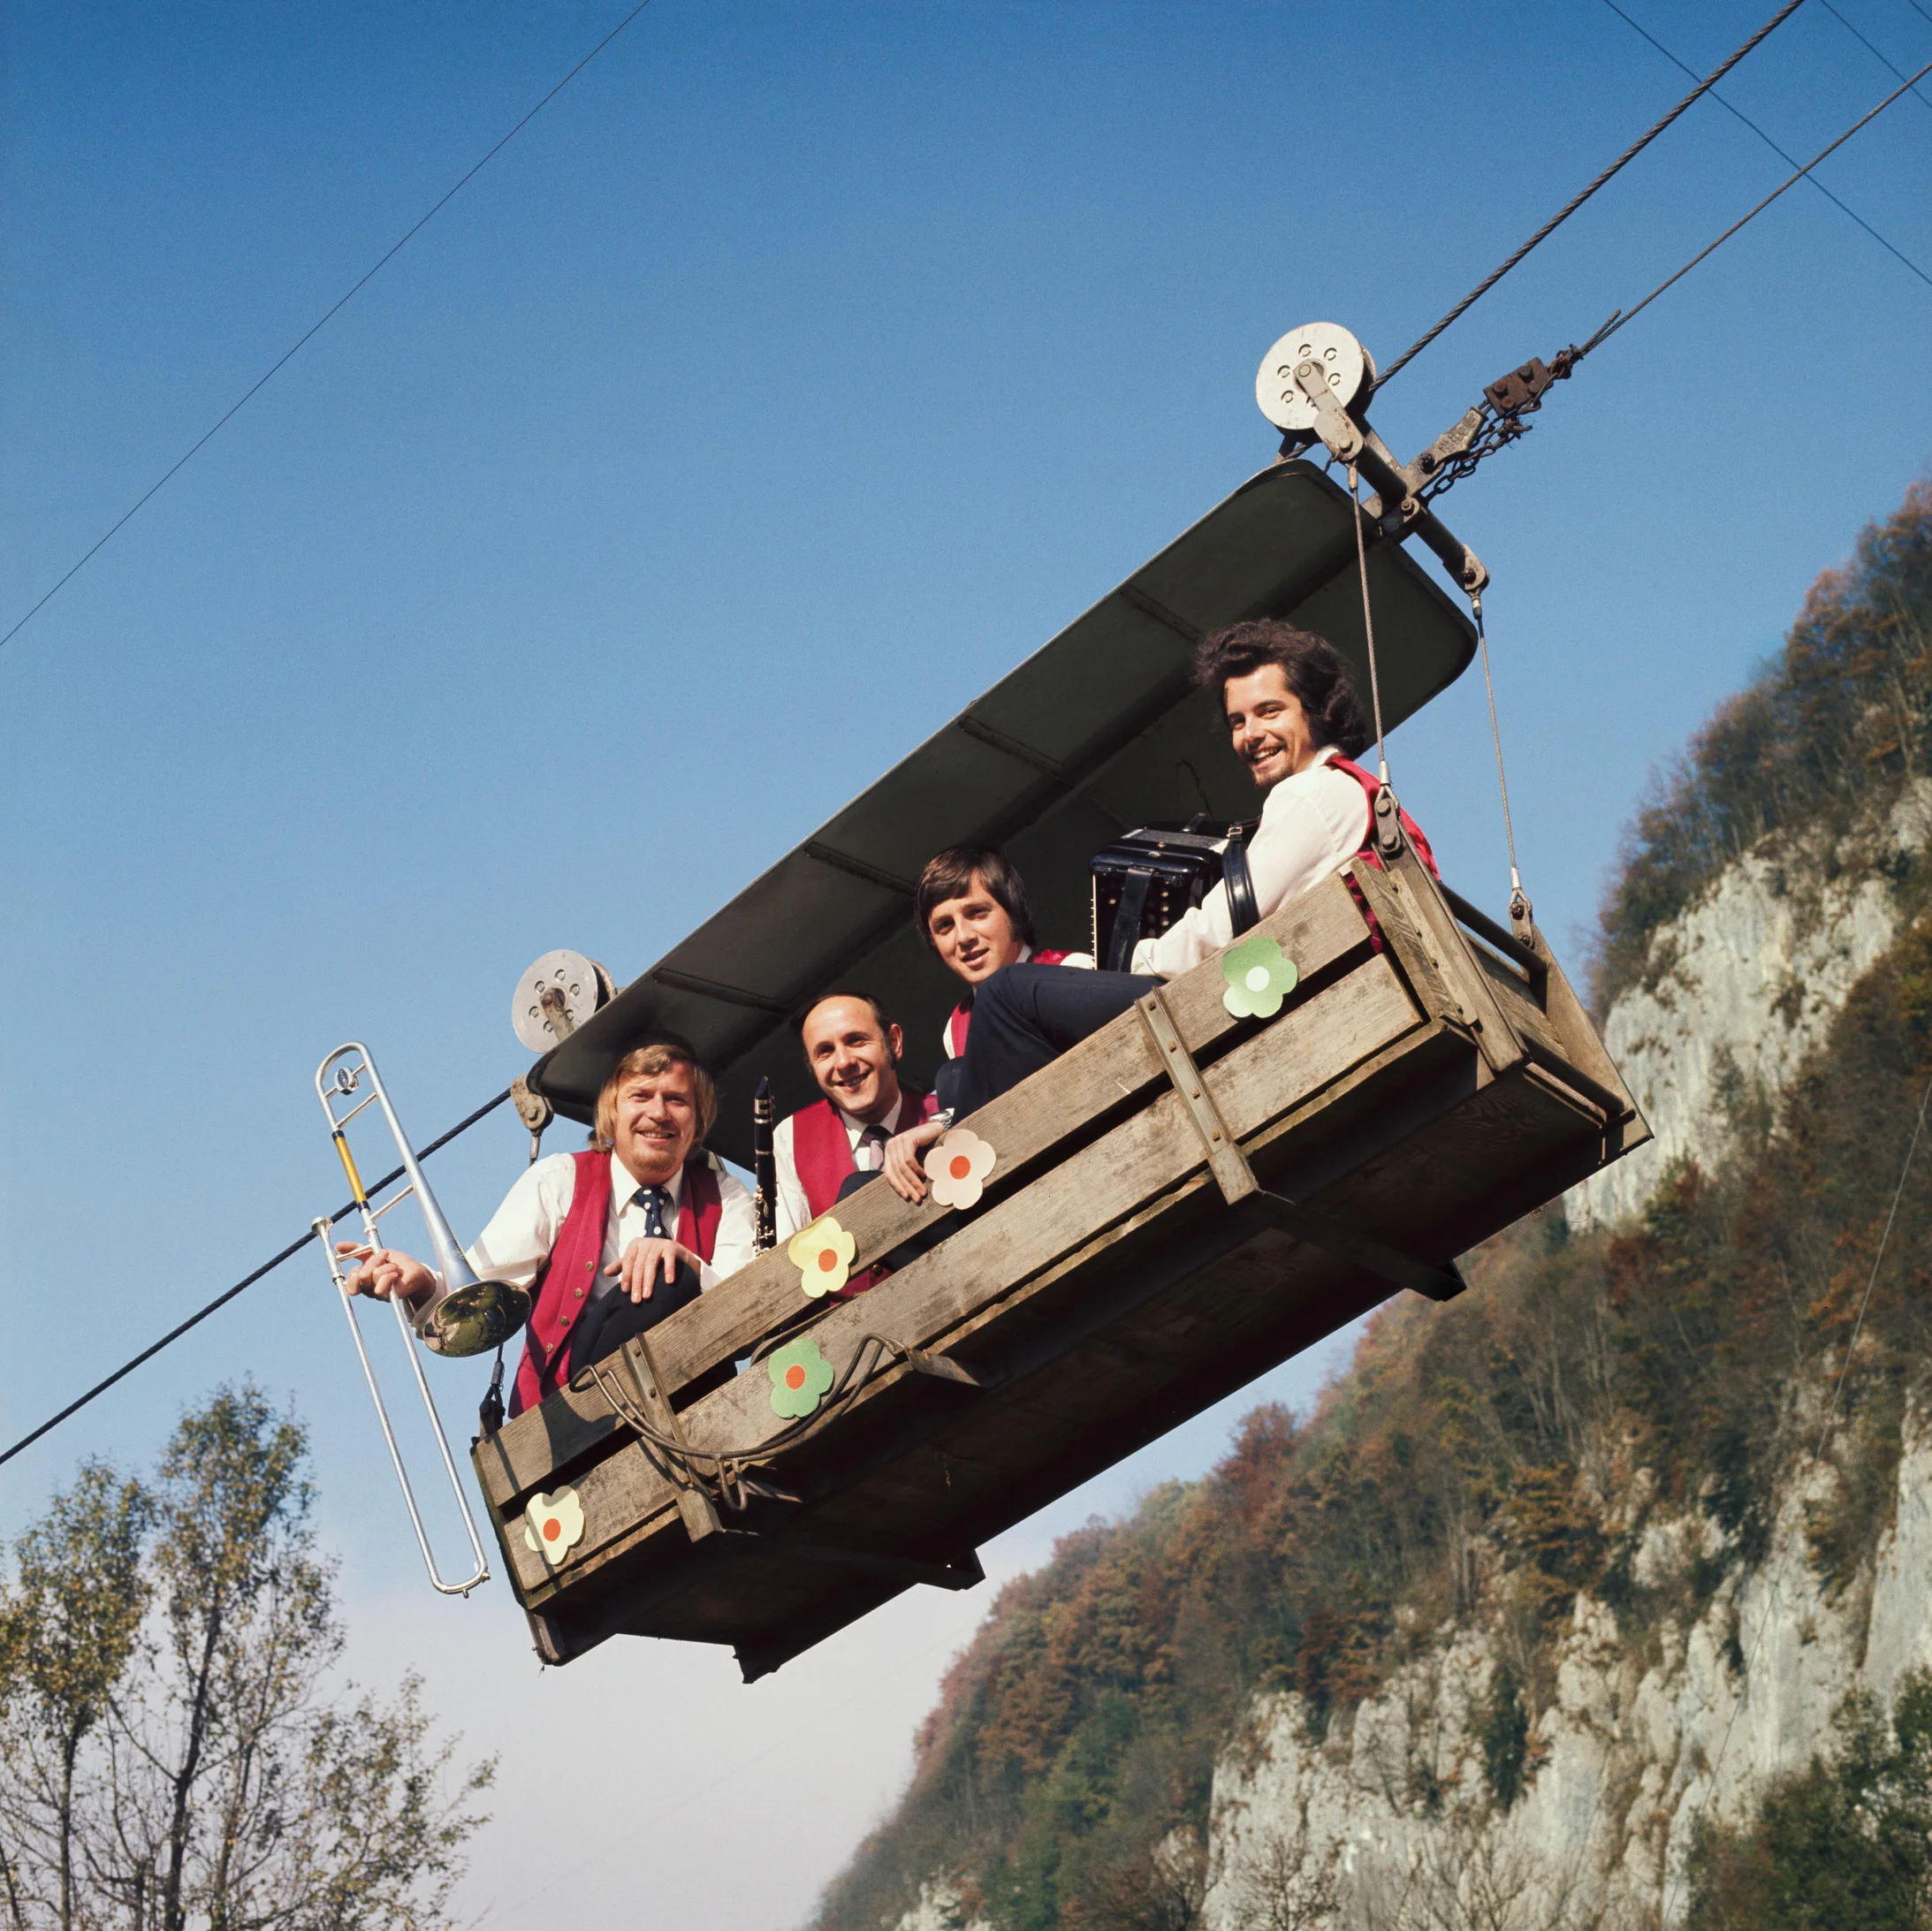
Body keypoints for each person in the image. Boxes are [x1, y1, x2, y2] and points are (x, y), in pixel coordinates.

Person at [881, 620, 1434, 1200]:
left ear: (1317, 711)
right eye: (1238, 721)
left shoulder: (1313, 794)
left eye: (1270, 711)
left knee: (1007, 994)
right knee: (970, 1059)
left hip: (1255, 1013)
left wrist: (1132, 959)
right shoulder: (1346, 793)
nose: (1251, 734)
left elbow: (1220, 931)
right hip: (1294, 1002)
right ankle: (977, 1147)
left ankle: (970, 1181)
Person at [344, 1038, 757, 1416]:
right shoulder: (559, 1180)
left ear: (698, 1120)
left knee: (674, 1275)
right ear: (612, 1111)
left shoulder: (728, 1195)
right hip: (577, 1408)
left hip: (697, 1400)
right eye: (641, 1096)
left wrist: (686, 1262)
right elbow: (481, 1289)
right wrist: (422, 1286)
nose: (658, 1112)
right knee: (668, 1281)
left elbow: (751, 1308)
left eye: (676, 1100)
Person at [915, 845, 1092, 1090]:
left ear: (1013, 911)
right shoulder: (955, 1029)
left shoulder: (1073, 970)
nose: (963, 937)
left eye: (977, 913)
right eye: (945, 925)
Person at [772, 992, 939, 1246]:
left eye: (856, 1041)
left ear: (893, 1042)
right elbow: (785, 1255)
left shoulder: (943, 1113)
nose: (843, 1062)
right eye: (825, 1051)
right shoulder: (790, 1137)